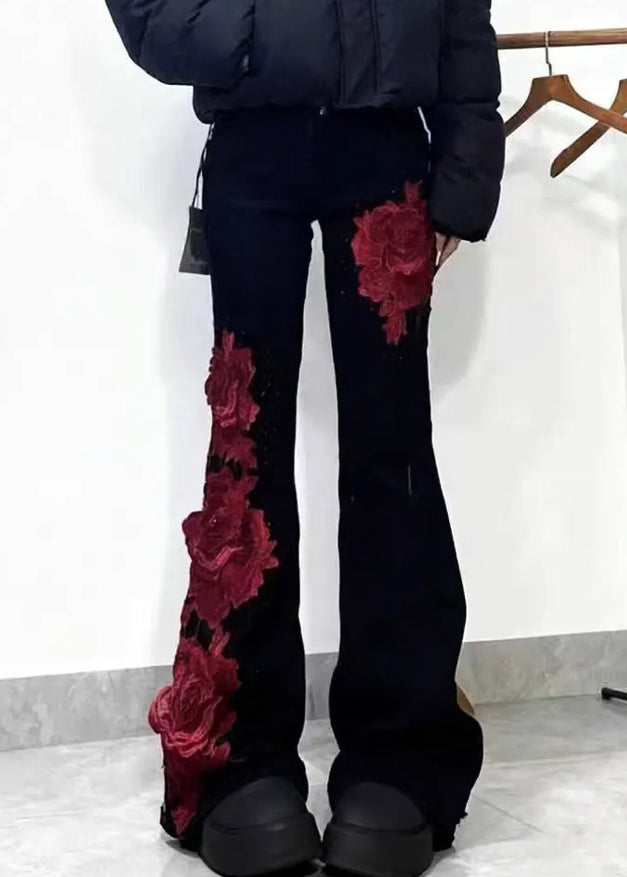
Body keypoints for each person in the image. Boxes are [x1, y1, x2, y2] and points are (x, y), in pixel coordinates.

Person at [105, 1, 505, 875]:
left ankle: (401, 753)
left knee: (392, 454)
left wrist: (464, 175)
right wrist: (260, 31)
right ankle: (239, 758)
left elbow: (464, 23)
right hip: (254, 148)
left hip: (389, 151)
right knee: (244, 451)